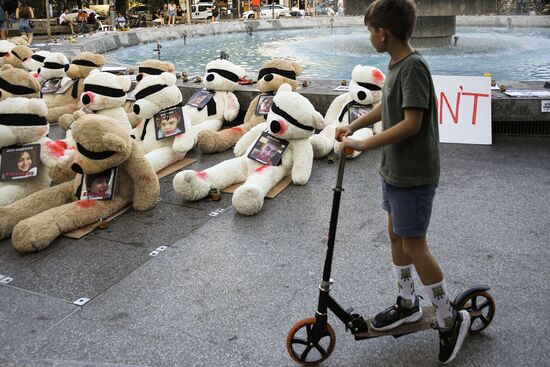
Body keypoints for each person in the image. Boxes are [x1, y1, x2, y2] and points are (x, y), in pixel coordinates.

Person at [335, 0, 471, 364]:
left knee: (415, 246)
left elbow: (411, 122)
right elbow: (388, 105)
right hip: (394, 170)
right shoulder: (395, 65)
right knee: (396, 235)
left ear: (383, 33)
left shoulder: (414, 67)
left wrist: (363, 143)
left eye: (369, 31)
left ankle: (448, 317)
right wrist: (356, 123)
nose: (369, 38)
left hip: (414, 174)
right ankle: (408, 303)